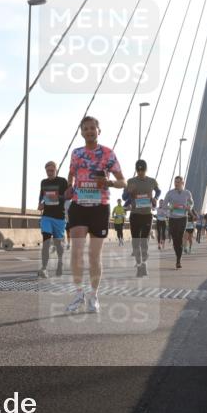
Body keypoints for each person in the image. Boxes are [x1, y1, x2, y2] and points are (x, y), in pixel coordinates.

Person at [65, 116, 125, 313]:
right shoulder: (76, 153)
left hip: (100, 207)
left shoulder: (108, 154)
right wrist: (68, 189)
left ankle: (93, 295)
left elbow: (122, 181)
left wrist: (108, 183)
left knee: (94, 255)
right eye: (86, 129)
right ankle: (78, 293)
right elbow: (71, 175)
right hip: (79, 205)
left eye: (93, 128)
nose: (89, 131)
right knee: (76, 253)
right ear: (81, 132)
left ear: (99, 131)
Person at [122, 159, 160, 278]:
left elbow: (158, 191)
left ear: (146, 169)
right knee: (135, 242)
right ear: (136, 170)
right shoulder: (131, 181)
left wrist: (156, 198)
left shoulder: (152, 181)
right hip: (135, 215)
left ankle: (143, 264)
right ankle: (139, 266)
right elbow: (124, 197)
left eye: (142, 170)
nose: (140, 172)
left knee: (144, 242)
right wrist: (129, 191)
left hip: (147, 215)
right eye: (138, 170)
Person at [37, 160, 68, 278]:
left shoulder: (62, 181)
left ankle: (60, 262)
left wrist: (54, 197)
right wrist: (40, 203)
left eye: (52, 170)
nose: (49, 173)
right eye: (47, 170)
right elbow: (41, 196)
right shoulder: (43, 182)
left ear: (56, 170)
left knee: (58, 244)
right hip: (47, 216)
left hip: (59, 217)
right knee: (45, 240)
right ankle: (44, 268)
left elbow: (67, 196)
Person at [161, 176, 194, 269]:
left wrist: (189, 207)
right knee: (175, 239)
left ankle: (178, 260)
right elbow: (164, 205)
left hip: (183, 218)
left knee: (179, 237)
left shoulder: (187, 193)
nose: (176, 184)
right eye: (175, 182)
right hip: (172, 218)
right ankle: (178, 254)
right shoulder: (170, 193)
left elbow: (191, 203)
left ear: (182, 183)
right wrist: (171, 207)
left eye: (178, 182)